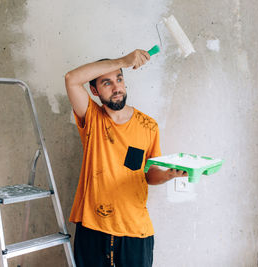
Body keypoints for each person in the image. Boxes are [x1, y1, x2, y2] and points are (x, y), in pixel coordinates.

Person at [64, 49, 187, 267]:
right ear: (93, 90)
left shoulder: (148, 126)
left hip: (135, 231)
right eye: (107, 83)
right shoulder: (92, 118)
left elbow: (150, 174)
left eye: (119, 79)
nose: (116, 87)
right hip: (93, 228)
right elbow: (71, 79)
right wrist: (122, 61)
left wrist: (169, 174)